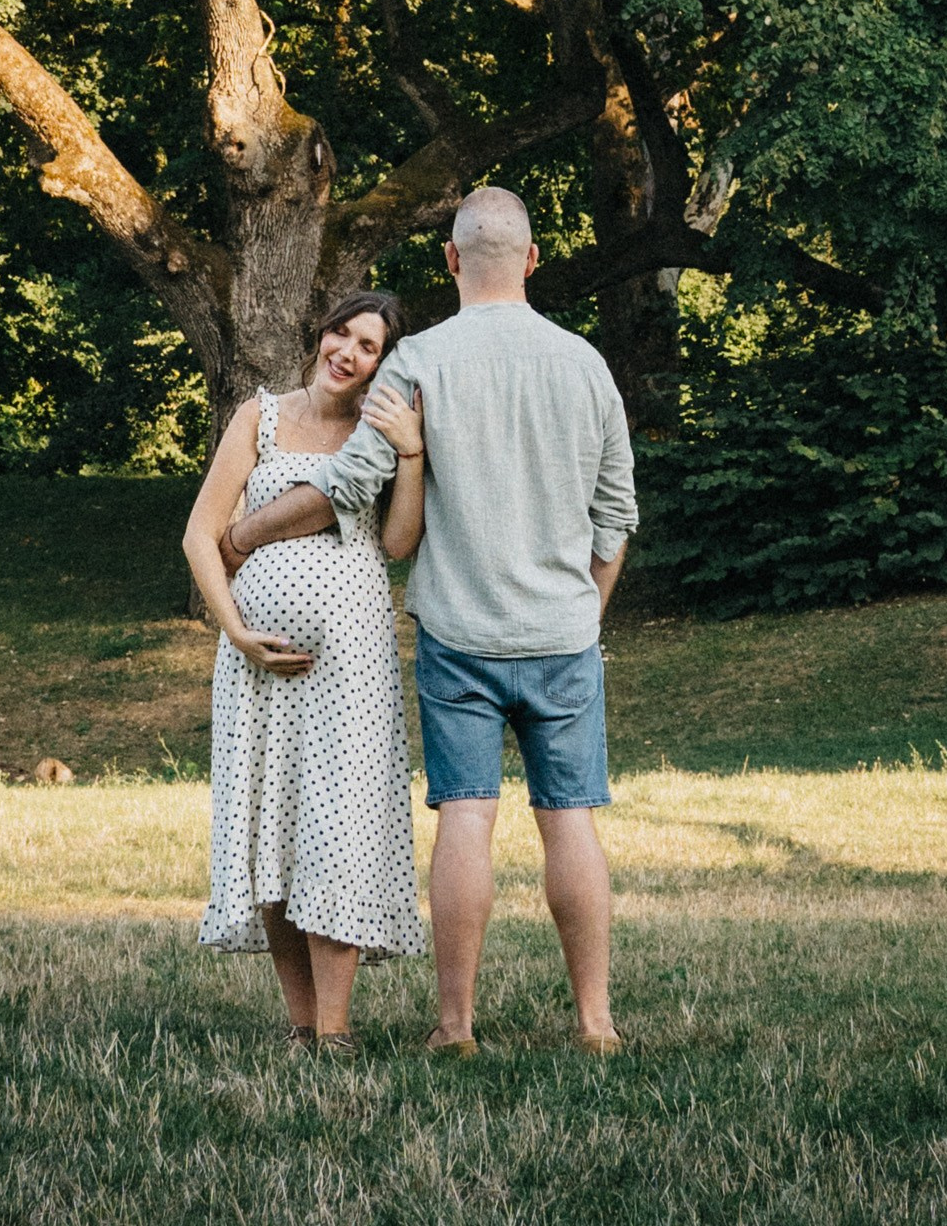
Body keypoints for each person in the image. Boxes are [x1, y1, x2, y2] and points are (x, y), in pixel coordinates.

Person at [222, 187, 637, 1057]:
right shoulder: (586, 364)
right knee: (571, 819)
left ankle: (455, 1025)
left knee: (467, 819)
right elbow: (616, 516)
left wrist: (248, 531)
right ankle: (595, 1022)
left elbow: (347, 484)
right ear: (531, 261)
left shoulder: (419, 363)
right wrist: (583, 615)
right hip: (562, 634)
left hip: (459, 636)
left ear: (451, 260)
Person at [182, 289, 429, 1051]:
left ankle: (337, 1027)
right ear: (320, 333)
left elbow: (397, 541)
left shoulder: (379, 431)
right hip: (255, 669)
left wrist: (413, 454)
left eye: (368, 347)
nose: (347, 354)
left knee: (340, 830)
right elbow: (200, 536)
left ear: (381, 365)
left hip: (350, 664)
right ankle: (299, 1025)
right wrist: (239, 634)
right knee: (274, 830)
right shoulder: (258, 415)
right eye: (341, 334)